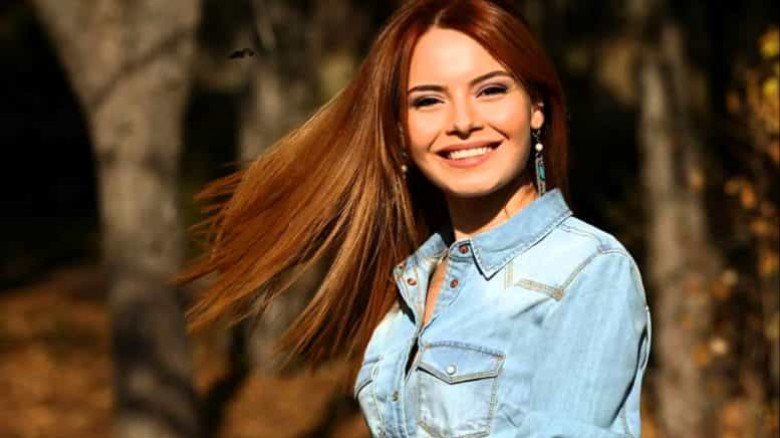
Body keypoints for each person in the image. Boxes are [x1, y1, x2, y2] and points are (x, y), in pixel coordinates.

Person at [178, 0, 652, 436]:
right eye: (428, 100)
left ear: (536, 109)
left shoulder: (587, 271)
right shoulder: (417, 278)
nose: (462, 121)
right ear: (400, 132)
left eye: (490, 90)